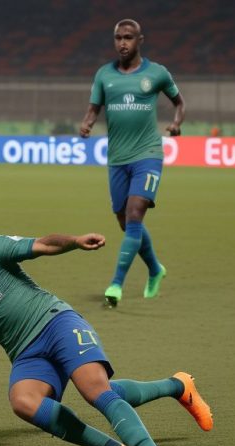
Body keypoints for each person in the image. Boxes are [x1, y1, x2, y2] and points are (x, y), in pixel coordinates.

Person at [0, 209, 212, 446]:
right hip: (25, 353)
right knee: (24, 401)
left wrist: (75, 242)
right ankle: (140, 422)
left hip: (55, 322)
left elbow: (43, 245)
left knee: (96, 391)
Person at [79, 19, 185, 307]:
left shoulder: (157, 73)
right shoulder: (104, 75)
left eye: (128, 37)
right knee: (126, 222)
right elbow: (93, 109)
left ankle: (116, 285)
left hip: (148, 154)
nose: (122, 43)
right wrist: (87, 125)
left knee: (135, 214)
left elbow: (179, 103)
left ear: (140, 40)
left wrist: (176, 124)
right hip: (117, 159)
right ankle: (155, 269)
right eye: (118, 38)